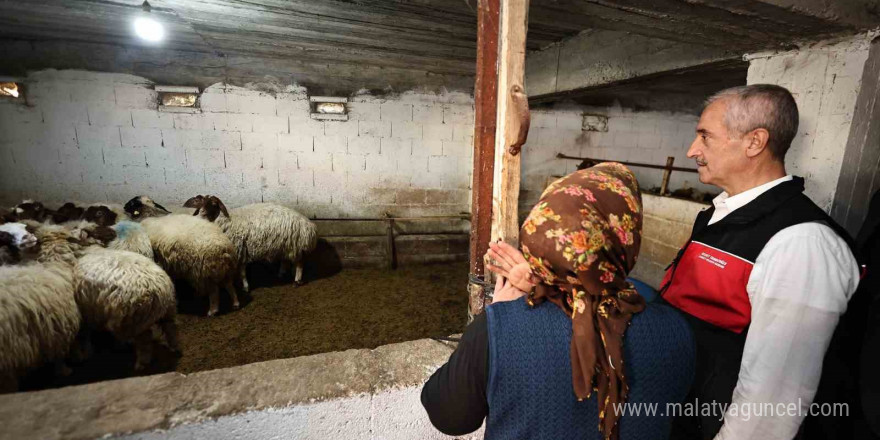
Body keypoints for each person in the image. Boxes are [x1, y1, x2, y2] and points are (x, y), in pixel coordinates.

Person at [421, 163, 695, 440]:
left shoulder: (500, 329)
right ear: (626, 237)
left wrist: (494, 315)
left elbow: (450, 417)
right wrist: (545, 285)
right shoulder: (676, 330)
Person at [658, 84, 861, 439]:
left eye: (705, 137)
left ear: (754, 142)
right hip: (685, 412)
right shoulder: (722, 215)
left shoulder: (802, 244)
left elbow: (774, 398)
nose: (692, 150)